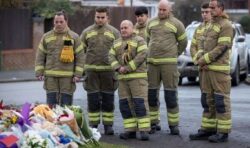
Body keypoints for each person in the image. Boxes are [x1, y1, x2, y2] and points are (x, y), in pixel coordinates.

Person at [189, 0, 233, 143]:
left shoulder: (226, 25)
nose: (210, 10)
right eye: (209, 8)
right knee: (207, 101)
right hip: (205, 70)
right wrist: (198, 59)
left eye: (213, 8)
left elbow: (222, 47)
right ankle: (208, 129)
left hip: (218, 71)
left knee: (221, 101)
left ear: (221, 8)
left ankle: (223, 132)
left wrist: (204, 60)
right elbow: (199, 45)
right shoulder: (209, 26)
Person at [146, 0, 187, 134]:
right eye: (159, 9)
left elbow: (183, 42)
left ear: (170, 10)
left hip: (169, 65)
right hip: (152, 64)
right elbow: (148, 40)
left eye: (164, 10)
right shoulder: (151, 22)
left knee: (170, 95)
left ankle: (173, 125)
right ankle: (153, 123)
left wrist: (174, 54)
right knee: (151, 95)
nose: (161, 12)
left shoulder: (177, 24)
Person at [80, 7, 120, 135]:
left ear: (108, 18)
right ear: (94, 17)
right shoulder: (86, 32)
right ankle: (93, 126)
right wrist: (80, 70)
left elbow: (120, 52)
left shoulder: (114, 32)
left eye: (102, 17)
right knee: (93, 100)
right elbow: (80, 52)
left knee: (108, 99)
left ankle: (108, 126)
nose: (100, 20)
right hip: (91, 72)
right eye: (98, 17)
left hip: (109, 72)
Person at [109, 20, 150, 141]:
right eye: (121, 28)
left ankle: (143, 130)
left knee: (140, 104)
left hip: (137, 78)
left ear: (132, 28)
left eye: (126, 27)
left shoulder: (139, 40)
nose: (123, 30)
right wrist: (117, 67)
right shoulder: (116, 43)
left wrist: (127, 68)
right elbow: (110, 56)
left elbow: (142, 55)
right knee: (125, 105)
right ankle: (130, 130)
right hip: (122, 80)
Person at [35, 11, 85, 107]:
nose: (58, 24)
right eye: (56, 21)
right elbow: (40, 55)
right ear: (53, 22)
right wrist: (39, 72)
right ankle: (51, 123)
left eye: (61, 22)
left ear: (66, 21)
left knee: (66, 107)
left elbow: (80, 57)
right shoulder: (46, 37)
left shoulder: (74, 37)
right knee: (51, 106)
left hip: (67, 78)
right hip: (50, 78)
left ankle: (66, 122)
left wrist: (78, 74)